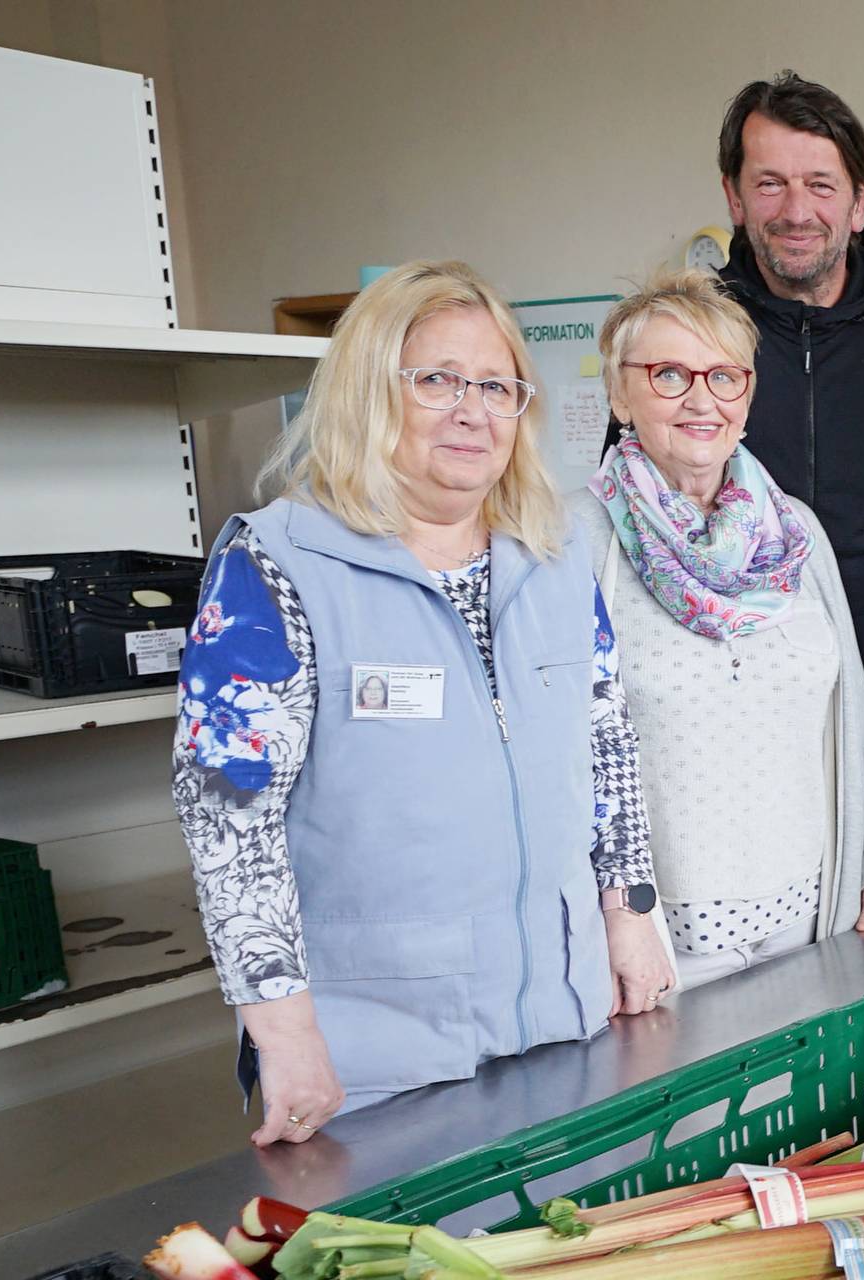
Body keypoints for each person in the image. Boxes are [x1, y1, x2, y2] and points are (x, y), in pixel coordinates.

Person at [173, 261, 668, 1145]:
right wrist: (282, 1034)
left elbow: (608, 752)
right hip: (375, 1049)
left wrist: (628, 919)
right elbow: (230, 829)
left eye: (496, 385)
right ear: (368, 391)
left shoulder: (554, 558)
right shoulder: (274, 564)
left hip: (564, 1013)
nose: (472, 410)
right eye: (437, 379)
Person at [578, 270, 864, 990]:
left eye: (726, 376)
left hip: (810, 912)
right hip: (654, 934)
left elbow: (850, 713)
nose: (703, 399)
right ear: (619, 394)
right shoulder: (574, 539)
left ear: (749, 396)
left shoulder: (797, 533)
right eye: (669, 374)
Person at [708, 71, 864, 924]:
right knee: (739, 943)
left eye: (820, 184)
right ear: (734, 197)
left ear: (858, 202)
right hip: (728, 705)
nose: (795, 209)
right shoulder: (691, 334)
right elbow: (629, 514)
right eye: (769, 182)